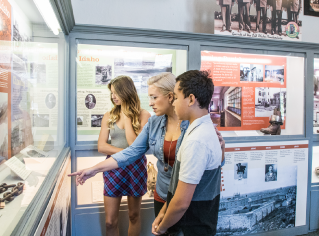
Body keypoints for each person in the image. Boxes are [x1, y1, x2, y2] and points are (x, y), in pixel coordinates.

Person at [69, 72, 225, 220]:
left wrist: (222, 152)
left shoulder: (194, 124)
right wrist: (94, 169)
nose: (150, 103)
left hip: (188, 198)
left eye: (154, 97)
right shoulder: (154, 122)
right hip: (163, 194)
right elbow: (132, 151)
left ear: (170, 97)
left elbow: (212, 162)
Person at [152, 70, 222, 236]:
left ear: (191, 99)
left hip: (190, 227)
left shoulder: (196, 141)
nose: (173, 103)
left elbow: (181, 202)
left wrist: (162, 228)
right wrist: (163, 212)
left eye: (176, 97)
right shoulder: (201, 129)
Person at [87, 76, 152, 236]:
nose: (113, 96)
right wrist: (126, 154)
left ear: (126, 92)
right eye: (111, 93)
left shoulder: (144, 115)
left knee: (134, 215)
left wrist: (127, 116)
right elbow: (102, 146)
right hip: (113, 167)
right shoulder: (108, 115)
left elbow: (134, 144)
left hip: (136, 168)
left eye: (116, 92)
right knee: (110, 221)